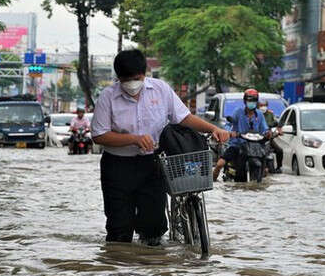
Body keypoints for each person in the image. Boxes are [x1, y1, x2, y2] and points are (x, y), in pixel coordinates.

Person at [91, 49, 230, 246]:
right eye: (126, 80)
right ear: (118, 78)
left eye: (136, 78)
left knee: (153, 226)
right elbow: (99, 135)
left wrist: (213, 128)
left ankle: (152, 272)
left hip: (152, 164)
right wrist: (133, 139)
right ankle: (119, 272)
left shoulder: (161, 90)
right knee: (119, 229)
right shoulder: (108, 97)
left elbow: (184, 118)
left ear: (145, 73)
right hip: (117, 167)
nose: (131, 84)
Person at [213, 89, 270, 181]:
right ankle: (213, 179)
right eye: (249, 100)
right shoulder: (238, 112)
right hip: (237, 144)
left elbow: (265, 128)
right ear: (245, 101)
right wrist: (230, 132)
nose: (251, 103)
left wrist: (268, 133)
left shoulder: (259, 114)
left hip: (254, 147)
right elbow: (228, 125)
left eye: (254, 101)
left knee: (266, 165)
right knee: (220, 164)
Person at [259, 99, 283, 174]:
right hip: (257, 138)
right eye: (261, 106)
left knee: (279, 150)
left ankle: (279, 167)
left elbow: (277, 123)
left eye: (264, 105)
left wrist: (279, 130)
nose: (263, 107)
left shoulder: (270, 114)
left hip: (268, 137)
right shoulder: (256, 113)